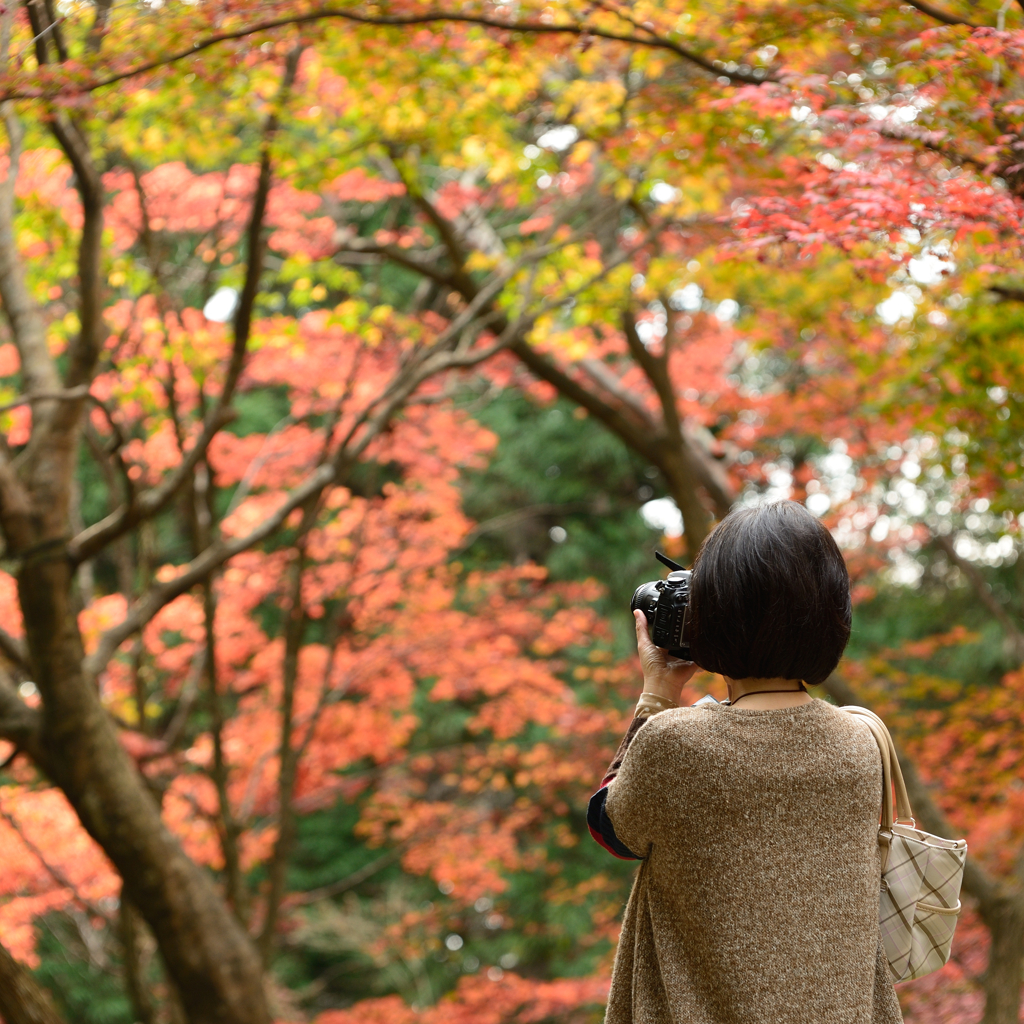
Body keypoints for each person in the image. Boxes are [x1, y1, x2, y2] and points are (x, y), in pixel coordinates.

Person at [587, 500, 902, 1024]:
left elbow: (612, 828)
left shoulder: (676, 745)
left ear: (709, 616)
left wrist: (658, 694)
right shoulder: (860, 742)